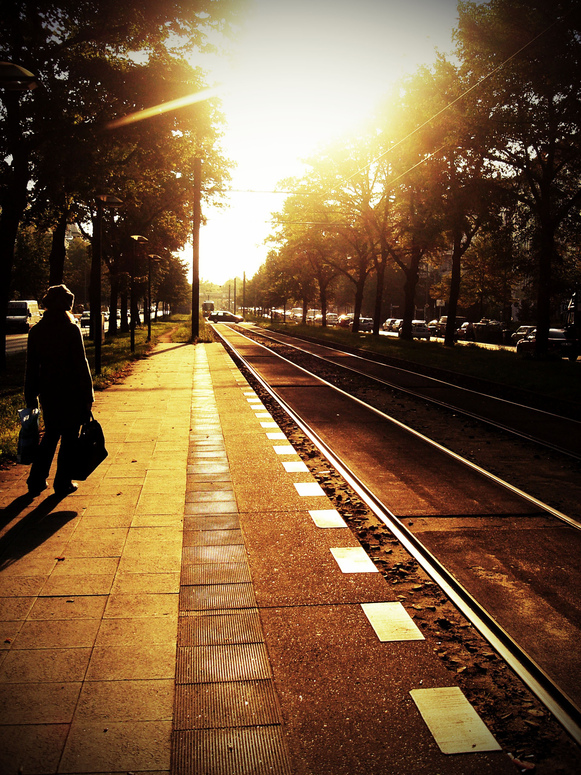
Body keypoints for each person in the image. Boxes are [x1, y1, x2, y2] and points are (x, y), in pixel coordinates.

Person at [24, 284, 94, 496]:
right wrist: (88, 395)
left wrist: (30, 396)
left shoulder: (36, 331)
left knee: (51, 435)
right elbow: (81, 364)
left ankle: (36, 480)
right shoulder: (70, 329)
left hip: (49, 391)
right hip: (72, 391)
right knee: (70, 437)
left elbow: (32, 366)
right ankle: (62, 482)